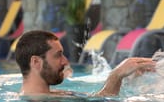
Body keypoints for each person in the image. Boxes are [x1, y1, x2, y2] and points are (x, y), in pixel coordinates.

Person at [15, 30, 155, 96]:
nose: (65, 61)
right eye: (58, 55)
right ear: (36, 62)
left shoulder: (53, 96)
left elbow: (99, 99)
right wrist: (117, 74)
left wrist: (127, 76)